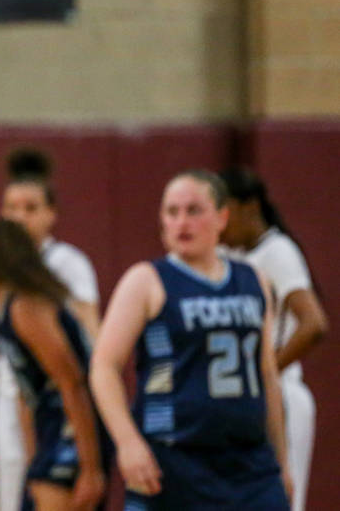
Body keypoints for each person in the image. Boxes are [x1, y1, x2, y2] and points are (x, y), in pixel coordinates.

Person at [90, 170, 291, 510]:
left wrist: (282, 461)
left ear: (222, 217)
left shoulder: (253, 279)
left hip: (250, 465)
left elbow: (266, 375)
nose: (182, 221)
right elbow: (103, 368)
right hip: (173, 460)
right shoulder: (146, 280)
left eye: (194, 210)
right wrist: (127, 443)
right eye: (172, 212)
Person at [0, 148, 100, 509]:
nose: (20, 217)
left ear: (52, 214)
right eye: (12, 208)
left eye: (31, 208)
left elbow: (80, 366)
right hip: (24, 400)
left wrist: (92, 464)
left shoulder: (52, 278)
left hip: (66, 407)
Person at [218, 166, 327, 511]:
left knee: (283, 501)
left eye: (226, 211)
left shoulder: (278, 252)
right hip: (239, 400)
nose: (219, 222)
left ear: (249, 207)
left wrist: (265, 373)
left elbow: (314, 324)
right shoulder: (226, 256)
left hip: (280, 395)